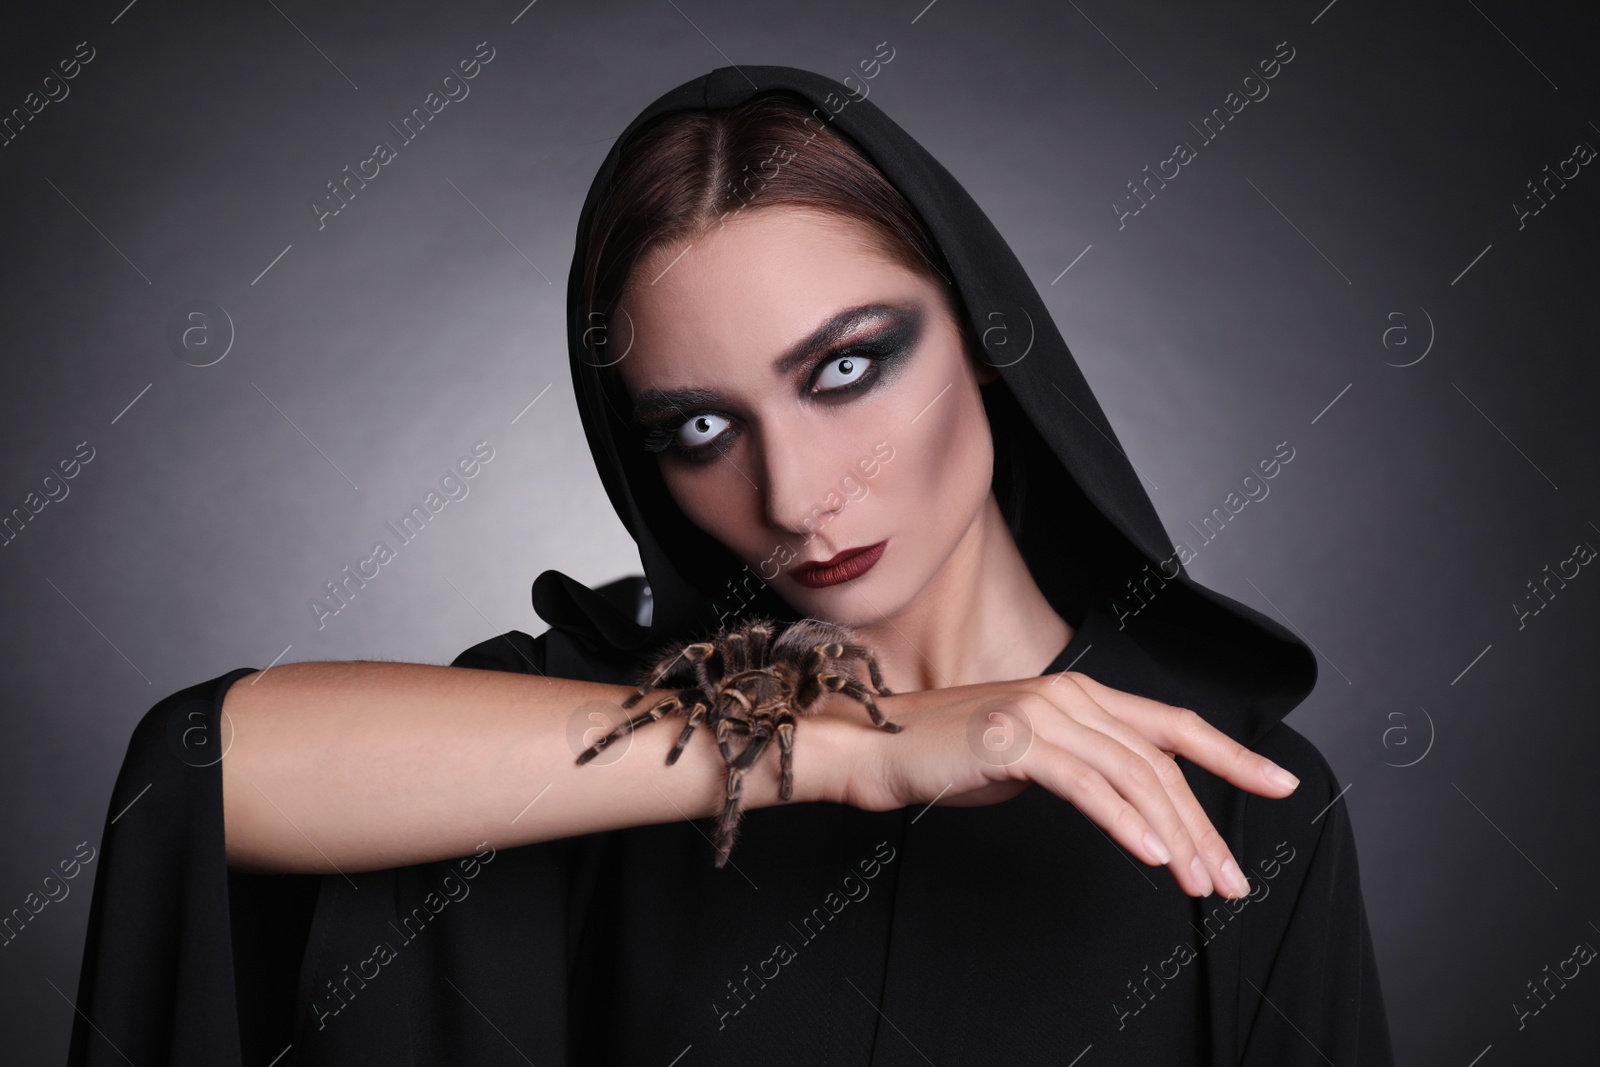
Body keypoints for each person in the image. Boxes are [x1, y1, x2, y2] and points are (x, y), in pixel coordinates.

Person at [67, 65, 1395, 1065]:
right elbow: (208, 765)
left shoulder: (1231, 804)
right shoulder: (578, 740)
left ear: (989, 331)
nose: (799, 497)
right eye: (701, 427)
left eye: (848, 368)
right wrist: (849, 751)